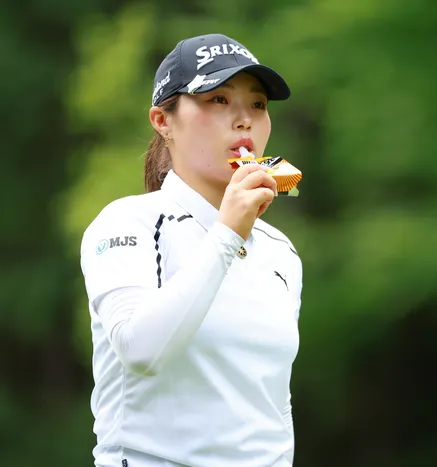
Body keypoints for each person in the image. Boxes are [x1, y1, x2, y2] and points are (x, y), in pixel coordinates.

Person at [79, 33, 302, 467]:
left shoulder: (281, 252)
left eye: (258, 104)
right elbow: (140, 350)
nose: (244, 120)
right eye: (218, 99)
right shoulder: (127, 222)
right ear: (162, 121)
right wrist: (227, 233)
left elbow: (273, 403)